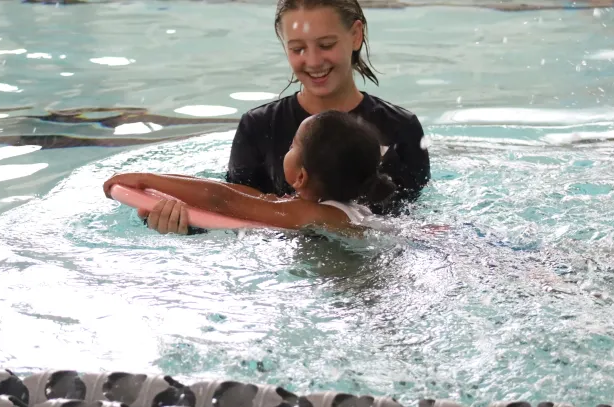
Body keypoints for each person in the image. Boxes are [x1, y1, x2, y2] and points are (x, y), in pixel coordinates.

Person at [137, 0, 430, 235]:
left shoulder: (401, 128)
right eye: (298, 49)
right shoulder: (259, 126)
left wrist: (145, 182)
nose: (313, 61)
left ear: (355, 35)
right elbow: (234, 224)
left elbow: (412, 217)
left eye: (326, 45)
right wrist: (184, 225)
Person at [104, 110, 395, 235]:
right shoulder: (332, 208)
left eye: (293, 144)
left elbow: (224, 201)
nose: (286, 148)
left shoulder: (312, 215)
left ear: (301, 177)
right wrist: (169, 185)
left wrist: (146, 180)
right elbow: (249, 196)